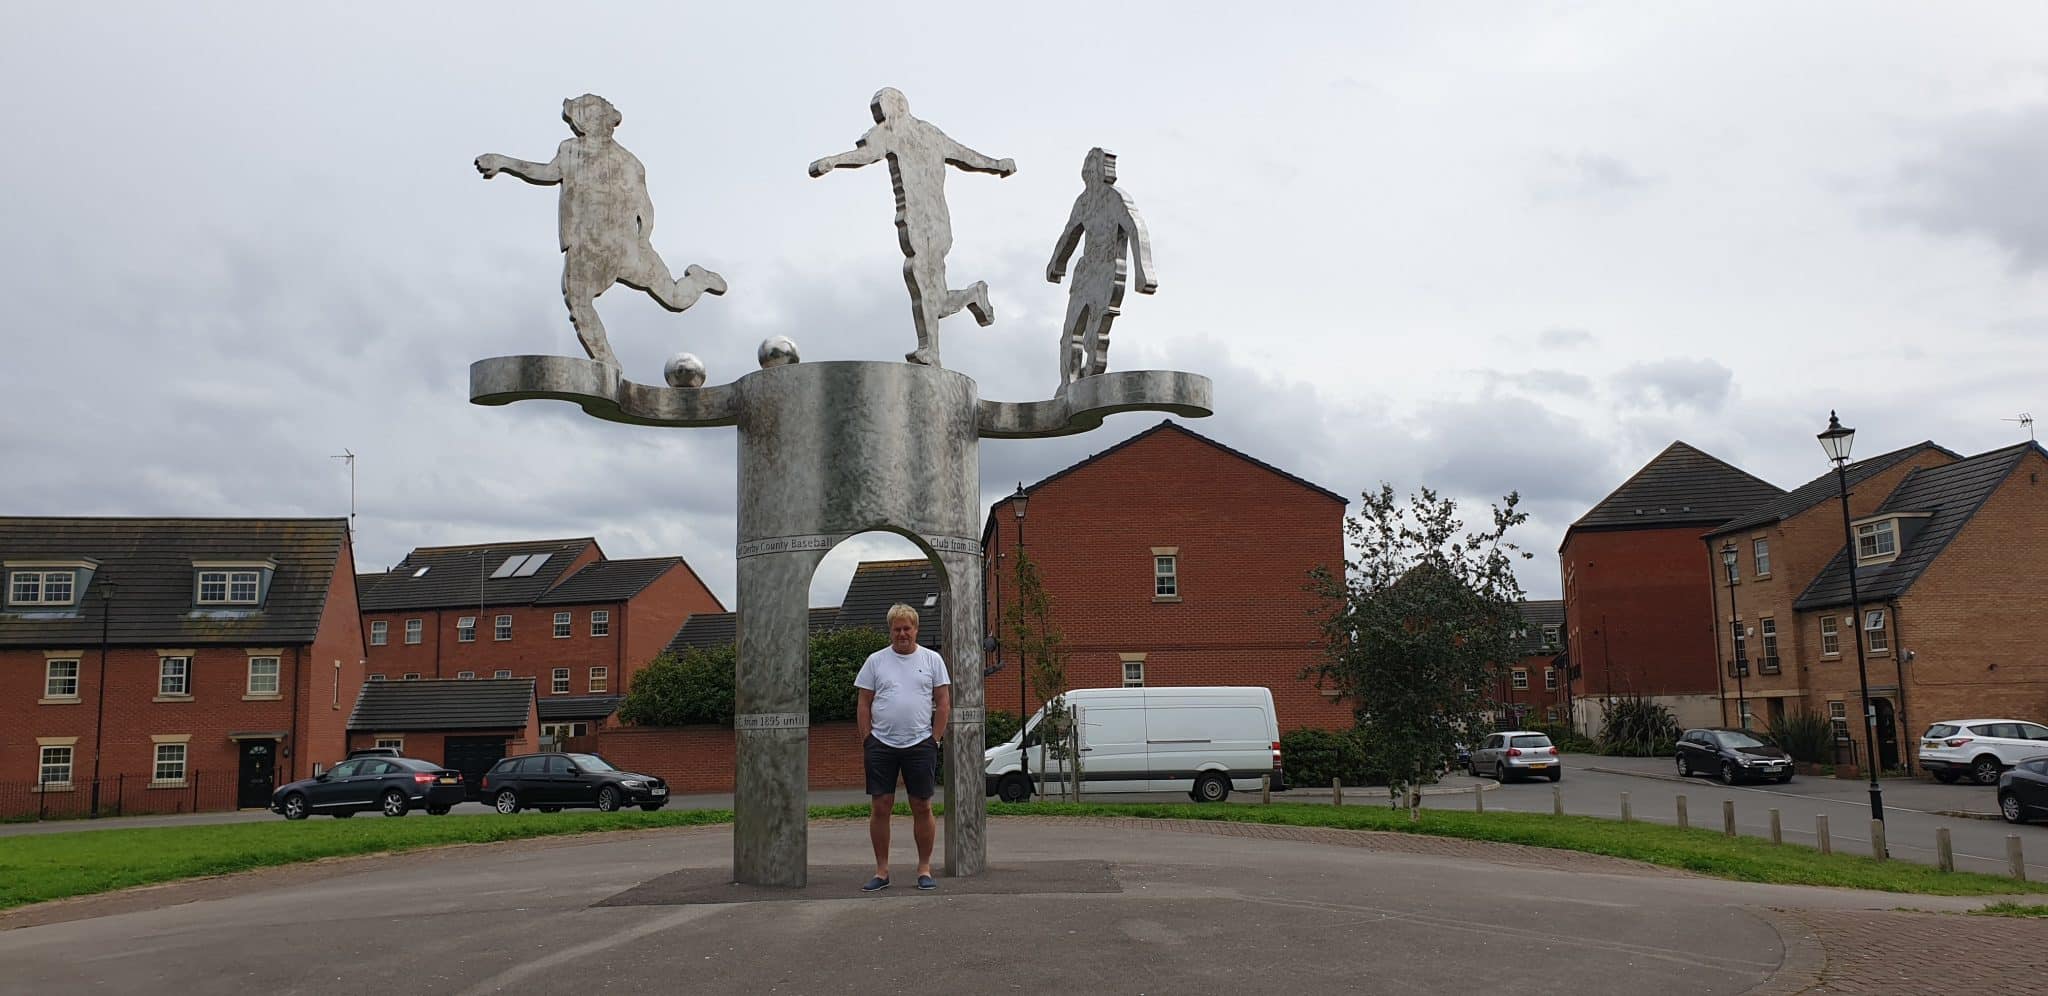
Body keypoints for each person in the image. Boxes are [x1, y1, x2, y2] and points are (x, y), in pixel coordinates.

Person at [476, 94, 727, 368]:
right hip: (586, 245)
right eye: (585, 117)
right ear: (578, 121)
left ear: (608, 121)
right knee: (578, 301)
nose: (591, 123)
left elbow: (645, 208)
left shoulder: (628, 162)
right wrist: (504, 162)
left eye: (597, 117)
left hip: (623, 245)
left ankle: (699, 281)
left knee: (675, 297)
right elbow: (546, 173)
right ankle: (608, 365)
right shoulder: (569, 150)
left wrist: (642, 242)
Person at [809, 88, 1015, 367]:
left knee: (920, 280)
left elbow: (965, 155)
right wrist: (833, 162)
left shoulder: (920, 133)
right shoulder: (894, 132)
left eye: (880, 109)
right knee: (934, 297)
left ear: (896, 106)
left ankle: (931, 349)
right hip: (922, 222)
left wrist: (996, 164)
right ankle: (971, 297)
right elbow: (868, 153)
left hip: (929, 221)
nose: (879, 116)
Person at [854, 602, 952, 891]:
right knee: (881, 805)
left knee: (921, 805)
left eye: (907, 628)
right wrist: (867, 739)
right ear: (890, 631)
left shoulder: (933, 660)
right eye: (896, 629)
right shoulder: (875, 661)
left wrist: (934, 738)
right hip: (881, 744)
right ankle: (882, 871)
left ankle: (924, 868)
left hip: (920, 743)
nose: (902, 634)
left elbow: (943, 702)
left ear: (916, 629)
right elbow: (864, 702)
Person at [1046, 147, 1156, 387]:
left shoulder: (1115, 198)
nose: (1090, 172)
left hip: (1108, 271)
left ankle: (1090, 380)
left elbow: (1136, 229)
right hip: (1085, 272)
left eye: (1093, 167)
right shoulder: (1083, 202)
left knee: (1095, 334)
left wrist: (1143, 270)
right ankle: (1068, 385)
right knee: (1069, 334)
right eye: (1089, 167)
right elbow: (1070, 233)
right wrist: (1057, 262)